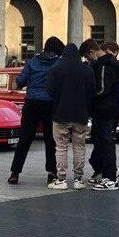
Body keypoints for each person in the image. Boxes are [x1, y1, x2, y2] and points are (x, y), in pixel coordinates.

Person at [7, 36, 63, 186]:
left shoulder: (32, 62)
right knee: (50, 140)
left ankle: (15, 173)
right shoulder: (58, 63)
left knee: (25, 139)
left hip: (32, 103)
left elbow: (20, 81)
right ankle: (52, 173)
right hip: (50, 104)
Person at [46, 43, 95, 191]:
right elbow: (92, 93)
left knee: (61, 147)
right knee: (79, 146)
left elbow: (50, 92)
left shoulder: (56, 70)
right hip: (81, 115)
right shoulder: (87, 70)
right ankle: (78, 179)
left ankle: (61, 179)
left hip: (60, 114)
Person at [85, 40, 119, 190]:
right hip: (107, 109)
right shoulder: (110, 63)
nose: (88, 60)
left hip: (104, 109)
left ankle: (110, 178)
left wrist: (89, 97)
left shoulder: (103, 65)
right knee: (102, 142)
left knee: (106, 143)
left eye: (87, 57)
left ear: (92, 52)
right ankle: (105, 174)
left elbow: (102, 89)